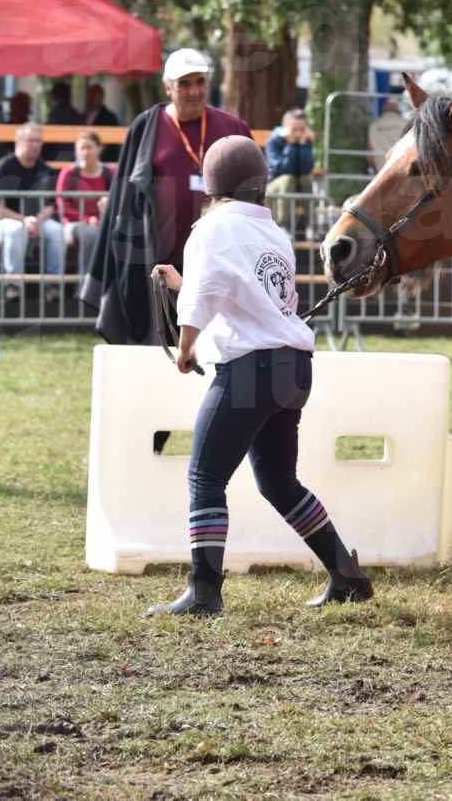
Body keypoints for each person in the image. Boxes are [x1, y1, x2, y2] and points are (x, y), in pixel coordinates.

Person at [145, 135, 372, 616]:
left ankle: (204, 591)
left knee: (205, 476)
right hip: (292, 367)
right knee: (278, 482)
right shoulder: (273, 233)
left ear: (211, 184)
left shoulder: (210, 230)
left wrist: (185, 348)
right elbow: (245, 294)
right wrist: (179, 285)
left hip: (250, 370)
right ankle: (346, 575)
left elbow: (207, 295)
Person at [83, 48, 252, 345]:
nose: (194, 91)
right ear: (168, 87)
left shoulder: (233, 129)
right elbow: (123, 195)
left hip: (218, 264)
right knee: (156, 353)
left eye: (200, 81)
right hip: (158, 265)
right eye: (185, 84)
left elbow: (253, 194)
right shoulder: (147, 127)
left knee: (217, 351)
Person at [0, 122, 64, 301]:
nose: (35, 145)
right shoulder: (3, 168)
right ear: (18, 141)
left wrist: (36, 220)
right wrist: (24, 220)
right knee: (16, 229)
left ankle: (53, 286)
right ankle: (13, 286)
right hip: (4, 224)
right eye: (30, 140)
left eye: (38, 141)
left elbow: (51, 205)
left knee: (56, 230)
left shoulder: (45, 170)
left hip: (37, 222)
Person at [56, 130, 112, 274]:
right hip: (73, 223)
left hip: (104, 222)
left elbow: (118, 201)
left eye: (89, 147)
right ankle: (86, 287)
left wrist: (105, 212)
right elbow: (62, 206)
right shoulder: (68, 173)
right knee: (90, 234)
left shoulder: (110, 173)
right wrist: (87, 219)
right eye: (82, 148)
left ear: (99, 148)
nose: (85, 152)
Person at [264, 107, 315, 228]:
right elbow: (281, 169)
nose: (298, 133)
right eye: (294, 129)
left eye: (302, 129)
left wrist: (302, 146)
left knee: (306, 179)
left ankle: (310, 225)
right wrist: (291, 145)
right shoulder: (274, 140)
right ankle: (283, 225)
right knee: (287, 179)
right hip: (275, 187)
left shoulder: (305, 141)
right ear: (285, 127)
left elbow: (307, 169)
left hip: (297, 188)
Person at [82, 83, 122, 162]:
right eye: (90, 95)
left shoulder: (110, 117)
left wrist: (97, 153)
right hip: (85, 155)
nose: (91, 98)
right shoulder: (83, 115)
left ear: (101, 98)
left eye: (94, 96)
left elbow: (112, 140)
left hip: (105, 159)